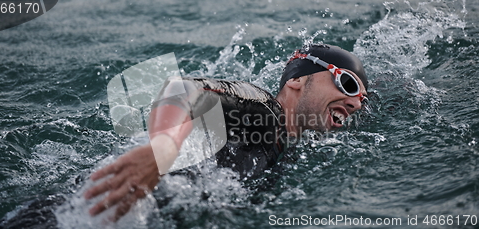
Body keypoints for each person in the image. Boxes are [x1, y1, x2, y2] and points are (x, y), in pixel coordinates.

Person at [83, 44, 369, 222]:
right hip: (91, 209)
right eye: (347, 83)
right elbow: (183, 89)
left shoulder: (286, 147)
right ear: (297, 80)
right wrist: (164, 149)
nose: (356, 103)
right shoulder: (263, 109)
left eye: (362, 100)